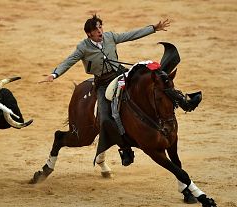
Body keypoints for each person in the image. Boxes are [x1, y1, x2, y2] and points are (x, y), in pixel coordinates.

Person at [39, 14, 199, 166]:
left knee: (152, 86)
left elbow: (131, 35)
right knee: (105, 119)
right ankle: (125, 148)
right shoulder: (83, 47)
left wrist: (153, 28)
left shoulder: (110, 37)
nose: (100, 31)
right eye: (96, 30)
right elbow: (69, 61)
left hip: (121, 74)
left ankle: (183, 100)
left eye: (100, 27)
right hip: (102, 83)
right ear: (89, 34)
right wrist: (54, 74)